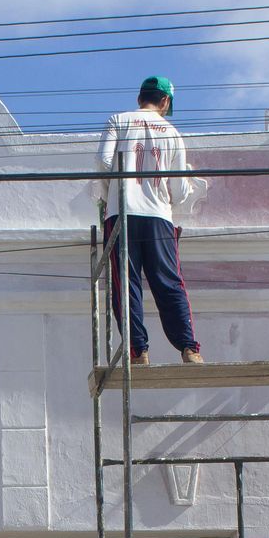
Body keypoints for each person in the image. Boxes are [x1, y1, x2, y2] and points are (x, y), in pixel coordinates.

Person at [97, 75, 204, 366]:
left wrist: (112, 195)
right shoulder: (172, 132)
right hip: (159, 218)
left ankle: (137, 351)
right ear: (165, 102)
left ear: (139, 98)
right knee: (169, 282)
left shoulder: (118, 120)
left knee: (125, 283)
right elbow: (180, 189)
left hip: (122, 214)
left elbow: (104, 162)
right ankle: (189, 348)